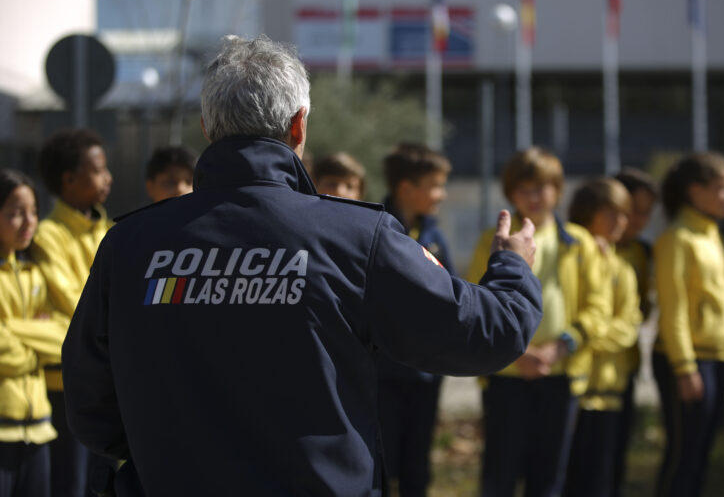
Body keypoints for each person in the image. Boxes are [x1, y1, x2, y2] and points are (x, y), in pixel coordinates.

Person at [61, 35, 543, 497]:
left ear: (208, 129)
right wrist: (513, 265)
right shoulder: (353, 237)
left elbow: (90, 402)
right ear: (299, 127)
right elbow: (485, 333)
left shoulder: (128, 244)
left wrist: (175, 455)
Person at [466, 147, 609, 497]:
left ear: (558, 190)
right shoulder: (492, 240)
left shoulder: (579, 242)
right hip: (507, 377)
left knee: (549, 476)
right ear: (510, 192)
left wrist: (562, 346)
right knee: (500, 473)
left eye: (542, 187)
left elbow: (598, 307)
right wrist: (518, 353)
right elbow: (475, 302)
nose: (533, 197)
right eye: (524, 189)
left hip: (560, 375)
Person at [31, 129, 113, 497]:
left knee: (106, 482)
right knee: (72, 484)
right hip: (64, 389)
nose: (108, 177)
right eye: (98, 169)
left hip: (108, 382)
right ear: (69, 179)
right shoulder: (48, 235)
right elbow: (75, 303)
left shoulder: (109, 229)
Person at [653, 152, 724, 497]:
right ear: (695, 191)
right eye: (722, 189)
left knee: (701, 455)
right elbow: (673, 309)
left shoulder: (711, 234)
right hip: (690, 363)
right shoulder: (677, 239)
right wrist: (685, 366)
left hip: (718, 360)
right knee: (683, 457)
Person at [376, 142, 454, 497]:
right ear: (407, 188)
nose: (442, 194)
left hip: (424, 374)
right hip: (383, 373)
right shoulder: (374, 228)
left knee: (416, 466)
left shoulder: (434, 235)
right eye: (435, 186)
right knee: (380, 463)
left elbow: (448, 291)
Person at [563, 177, 641, 497]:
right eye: (611, 213)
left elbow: (628, 326)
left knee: (604, 479)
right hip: (570, 385)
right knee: (566, 478)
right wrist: (585, 332)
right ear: (587, 212)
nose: (621, 222)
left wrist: (588, 334)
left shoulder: (623, 267)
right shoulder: (569, 255)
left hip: (610, 388)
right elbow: (566, 315)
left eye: (625, 214)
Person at [0, 169, 70, 497]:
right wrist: (36, 344)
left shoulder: (33, 272)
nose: (28, 222)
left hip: (40, 428)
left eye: (33, 212)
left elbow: (63, 336)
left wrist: (12, 329)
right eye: (15, 213)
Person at [613, 167, 658, 496]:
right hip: (587, 372)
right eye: (634, 211)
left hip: (625, 365)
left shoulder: (642, 252)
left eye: (646, 213)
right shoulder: (589, 246)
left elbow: (643, 306)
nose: (640, 220)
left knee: (616, 457)